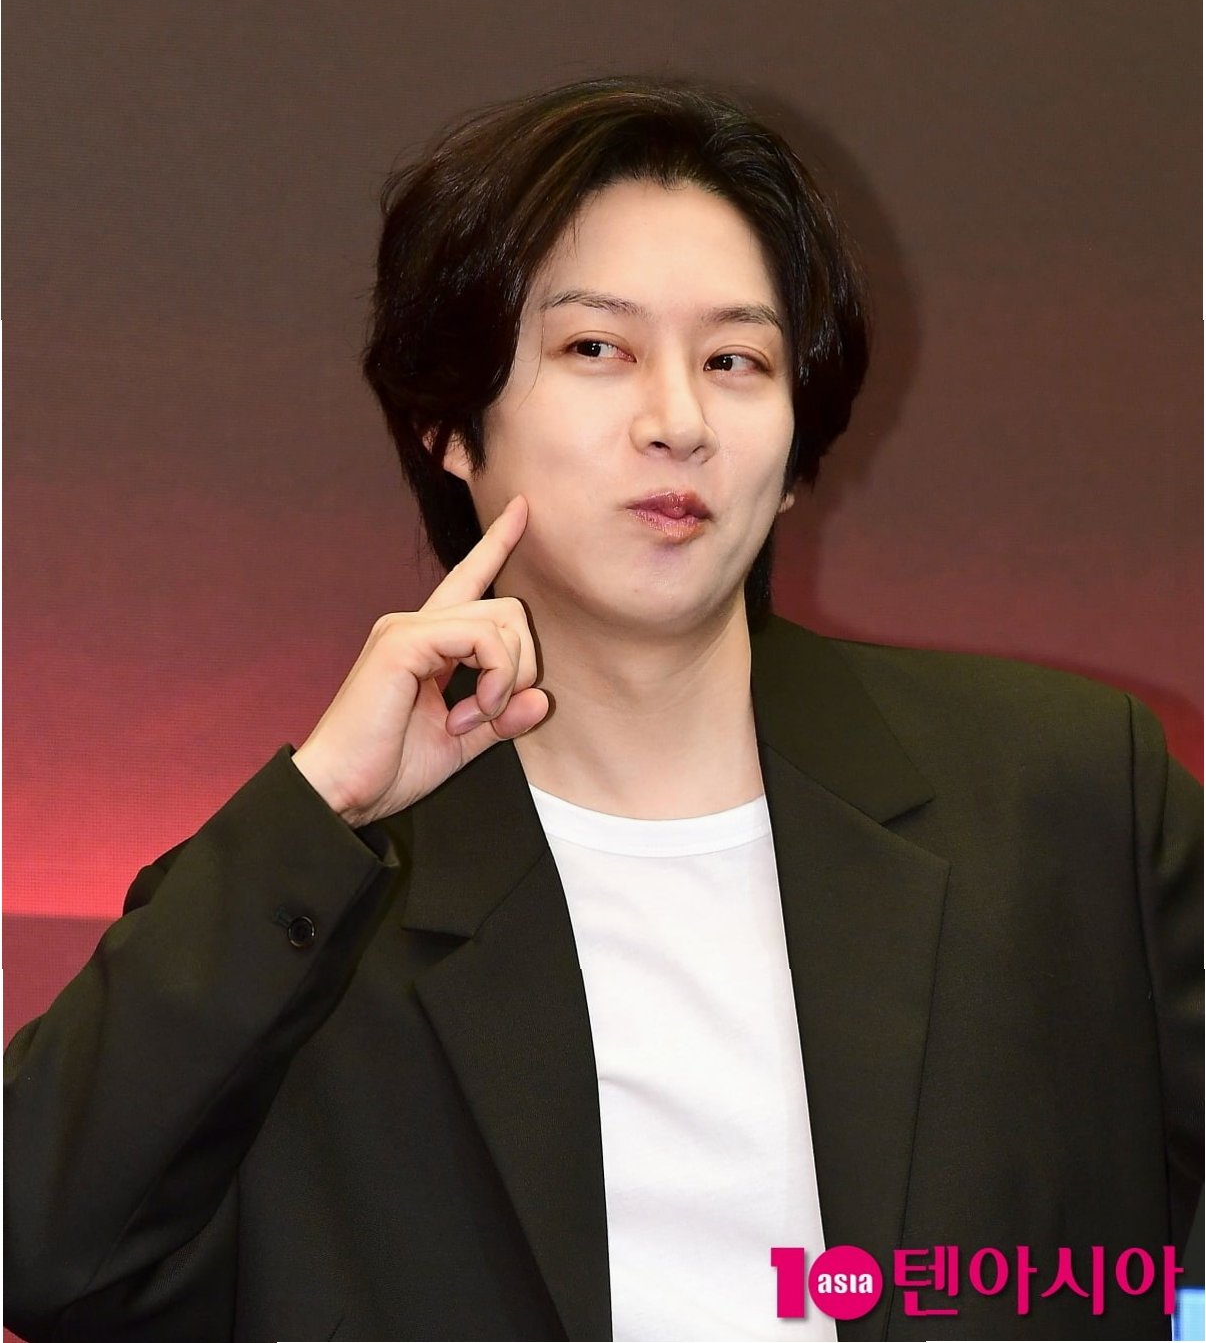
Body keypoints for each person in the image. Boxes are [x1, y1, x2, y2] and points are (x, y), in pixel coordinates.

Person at [4, 75, 1202, 1343]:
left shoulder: (1064, 791)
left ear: (795, 447)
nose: (678, 422)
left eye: (736, 361)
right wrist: (325, 802)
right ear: (449, 424)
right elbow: (39, 1247)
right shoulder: (306, 906)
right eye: (597, 349)